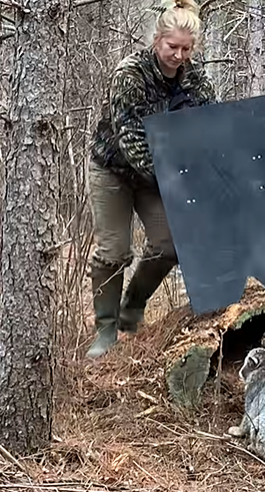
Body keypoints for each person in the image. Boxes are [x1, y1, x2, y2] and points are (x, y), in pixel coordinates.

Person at [85, 0, 217, 358]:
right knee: (114, 251)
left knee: (170, 244)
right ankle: (106, 331)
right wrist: (180, 184)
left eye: (186, 49)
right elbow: (133, 144)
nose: (178, 55)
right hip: (114, 169)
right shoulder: (129, 75)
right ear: (156, 40)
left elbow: (208, 134)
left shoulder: (198, 82)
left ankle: (132, 310)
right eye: (171, 46)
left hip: (158, 177)